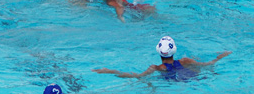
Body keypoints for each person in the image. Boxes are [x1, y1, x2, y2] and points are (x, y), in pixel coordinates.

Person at [92, 36, 231, 80]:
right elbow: (208, 64)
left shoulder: (157, 68)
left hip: (176, 83)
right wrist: (221, 56)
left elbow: (136, 76)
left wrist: (110, 71)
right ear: (174, 50)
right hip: (194, 78)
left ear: (158, 51)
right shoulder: (186, 61)